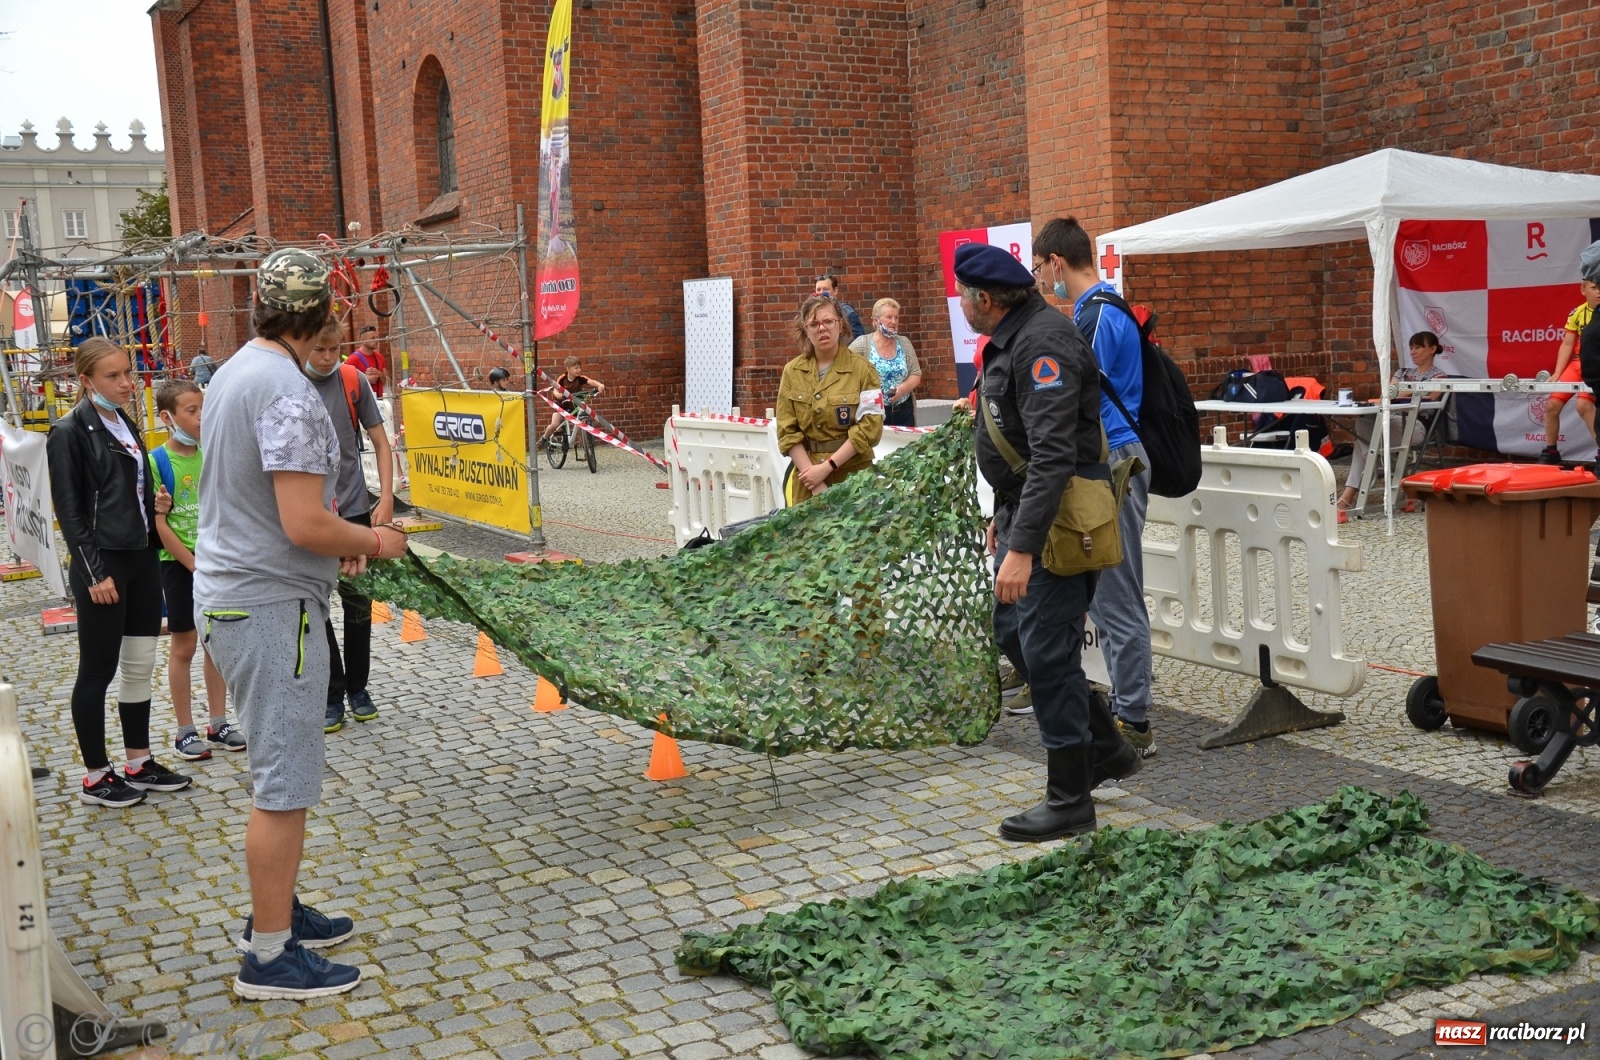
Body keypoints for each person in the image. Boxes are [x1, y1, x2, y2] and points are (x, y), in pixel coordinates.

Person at [194, 248, 408, 999]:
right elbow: (305, 522)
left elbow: (270, 507)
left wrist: (331, 546)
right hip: (269, 603)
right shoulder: (286, 391)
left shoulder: (232, 372)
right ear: (319, 313)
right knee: (283, 784)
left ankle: (275, 911)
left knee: (279, 773)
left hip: (239, 591)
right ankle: (270, 955)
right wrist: (374, 540)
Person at [959, 242, 1140, 843]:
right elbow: (1021, 448)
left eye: (963, 296)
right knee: (1014, 631)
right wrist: (1005, 519)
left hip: (1062, 526)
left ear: (984, 300)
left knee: (1044, 649)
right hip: (1031, 513)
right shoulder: (1019, 338)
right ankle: (1106, 748)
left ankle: (1070, 797)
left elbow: (1056, 453)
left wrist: (1022, 546)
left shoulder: (1043, 344)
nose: (961, 304)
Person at [46, 337, 193, 808]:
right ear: (86, 381)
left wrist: (155, 506)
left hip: (141, 557)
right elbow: (70, 514)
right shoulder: (69, 431)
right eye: (113, 376)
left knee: (138, 665)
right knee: (97, 670)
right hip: (104, 564)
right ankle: (95, 776)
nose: (127, 383)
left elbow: (124, 488)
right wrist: (93, 573)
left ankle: (138, 760)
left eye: (128, 373)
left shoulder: (123, 420)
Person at [1036, 217, 1157, 759]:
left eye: (1041, 269)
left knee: (1116, 592)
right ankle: (1123, 706)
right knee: (1102, 593)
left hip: (1116, 460)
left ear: (1057, 263)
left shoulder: (1099, 315)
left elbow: (1074, 395)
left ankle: (1134, 720)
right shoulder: (1099, 309)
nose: (1042, 280)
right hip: (1109, 457)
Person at [304, 320, 395, 732]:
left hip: (355, 506)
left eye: (334, 350)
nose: (326, 358)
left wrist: (387, 497)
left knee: (358, 605)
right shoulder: (287, 381)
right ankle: (330, 693)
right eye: (319, 350)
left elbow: (380, 441)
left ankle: (359, 687)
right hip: (310, 512)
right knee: (315, 606)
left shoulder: (352, 379)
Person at [149, 380, 246, 763]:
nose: (201, 417)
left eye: (203, 408)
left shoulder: (213, 453)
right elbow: (160, 524)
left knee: (217, 643)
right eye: (191, 411)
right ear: (167, 417)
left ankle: (218, 722)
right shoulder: (157, 461)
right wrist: (192, 564)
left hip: (217, 563)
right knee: (185, 644)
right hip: (180, 566)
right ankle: (185, 729)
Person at [777, 295, 884, 505]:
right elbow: (787, 431)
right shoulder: (792, 372)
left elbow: (870, 428)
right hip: (807, 482)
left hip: (853, 480)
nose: (822, 329)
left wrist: (827, 468)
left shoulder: (864, 370)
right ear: (805, 330)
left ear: (840, 324)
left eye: (828, 321)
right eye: (814, 324)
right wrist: (814, 481)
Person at [1336, 331, 1447, 515]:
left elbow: (1428, 398)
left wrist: (1400, 391)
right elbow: (1387, 393)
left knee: (1361, 441)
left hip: (1415, 427)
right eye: (1411, 347)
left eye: (1418, 347)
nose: (1413, 351)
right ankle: (1370, 462)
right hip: (1393, 420)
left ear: (1432, 349)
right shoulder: (1402, 372)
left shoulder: (1440, 377)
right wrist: (1407, 392)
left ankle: (1349, 493)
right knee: (1363, 421)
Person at [1539, 277, 1600, 464]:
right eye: (1594, 287)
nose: (1599, 292)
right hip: (1578, 364)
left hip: (1596, 366)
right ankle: (1551, 452)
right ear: (1583, 290)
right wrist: (1557, 373)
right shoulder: (1577, 313)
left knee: (1583, 406)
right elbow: (1567, 344)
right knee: (1551, 406)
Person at [849, 298, 922, 427]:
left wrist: (902, 389)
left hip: (904, 412)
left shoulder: (904, 343)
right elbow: (844, 370)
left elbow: (916, 374)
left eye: (896, 317)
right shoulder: (862, 344)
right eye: (889, 317)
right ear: (876, 321)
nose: (894, 322)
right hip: (873, 415)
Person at [538, 356, 605, 445]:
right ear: (568, 369)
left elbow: (591, 381)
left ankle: (585, 448)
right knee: (554, 424)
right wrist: (557, 394)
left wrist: (599, 385)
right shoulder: (562, 378)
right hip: (561, 404)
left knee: (582, 425)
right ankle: (544, 438)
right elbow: (555, 388)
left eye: (579, 368)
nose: (578, 370)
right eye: (576, 368)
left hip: (574, 404)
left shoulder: (580, 378)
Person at [813, 274, 866, 340]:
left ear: (835, 291)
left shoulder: (847, 311)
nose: (821, 293)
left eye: (825, 289)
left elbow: (860, 341)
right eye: (818, 290)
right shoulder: (812, 312)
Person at [344, 327, 387, 398]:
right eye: (372, 338)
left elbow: (386, 381)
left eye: (377, 337)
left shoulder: (379, 357)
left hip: (380, 401)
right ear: (363, 340)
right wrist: (366, 380)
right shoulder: (353, 359)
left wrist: (378, 373)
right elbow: (345, 384)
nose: (376, 340)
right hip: (362, 402)